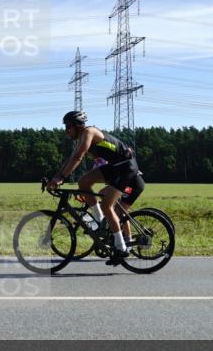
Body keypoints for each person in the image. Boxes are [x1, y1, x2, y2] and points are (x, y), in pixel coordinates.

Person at [46, 111, 144, 265]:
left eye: (68, 127)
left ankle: (121, 247)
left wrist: (62, 178)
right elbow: (70, 159)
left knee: (107, 205)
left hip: (126, 167)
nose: (66, 130)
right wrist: (55, 177)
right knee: (83, 182)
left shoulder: (89, 132)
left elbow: (78, 157)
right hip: (115, 167)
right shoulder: (81, 137)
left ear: (77, 125)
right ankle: (99, 219)